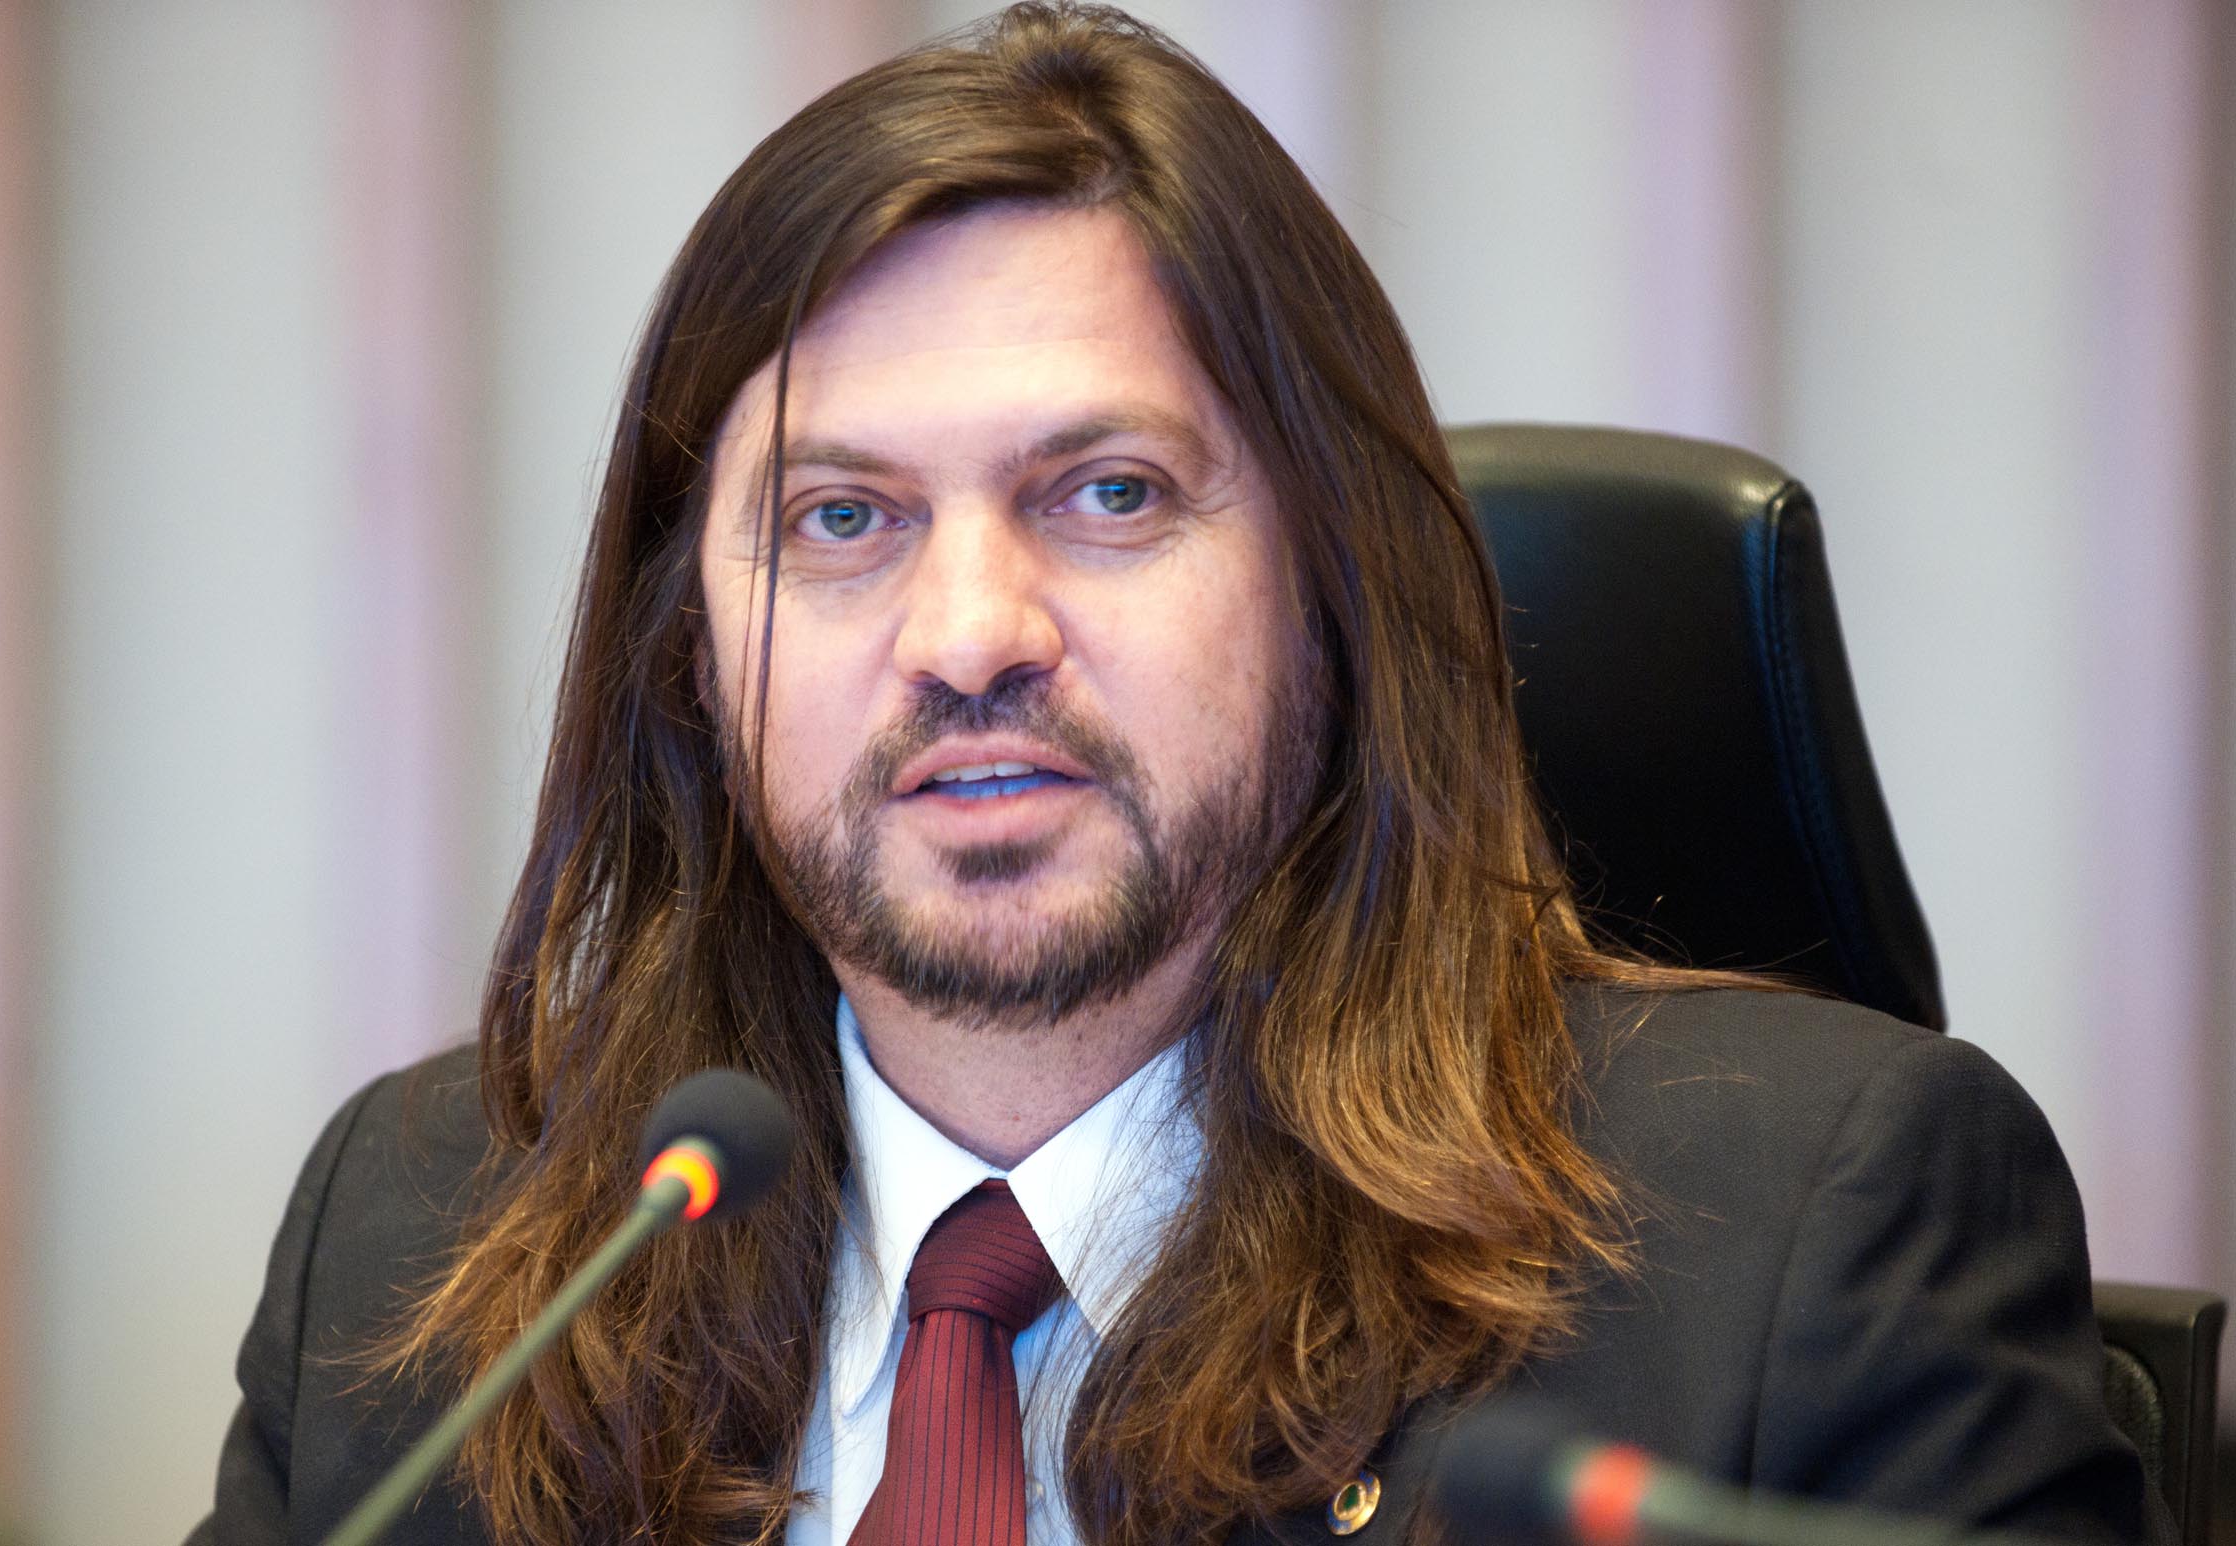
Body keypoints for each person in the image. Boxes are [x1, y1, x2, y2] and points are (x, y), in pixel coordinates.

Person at [189, 7, 2161, 1545]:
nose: (970, 631)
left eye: (1108, 493)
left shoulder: (1810, 1237)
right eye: (841, 519)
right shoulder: (424, 1247)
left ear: (1331, 585)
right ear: (688, 651)